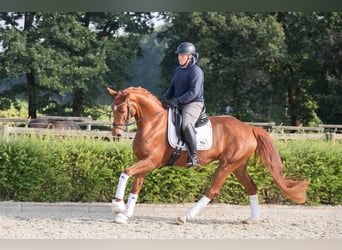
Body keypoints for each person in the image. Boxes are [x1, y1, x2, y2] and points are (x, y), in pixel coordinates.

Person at [160, 42, 205, 167]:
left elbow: (193, 92)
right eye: (179, 55)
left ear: (190, 56)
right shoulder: (178, 70)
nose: (180, 57)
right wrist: (165, 97)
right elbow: (173, 87)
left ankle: (194, 156)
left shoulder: (196, 71)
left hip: (193, 103)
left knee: (185, 125)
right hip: (179, 102)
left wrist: (176, 101)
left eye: (183, 55)